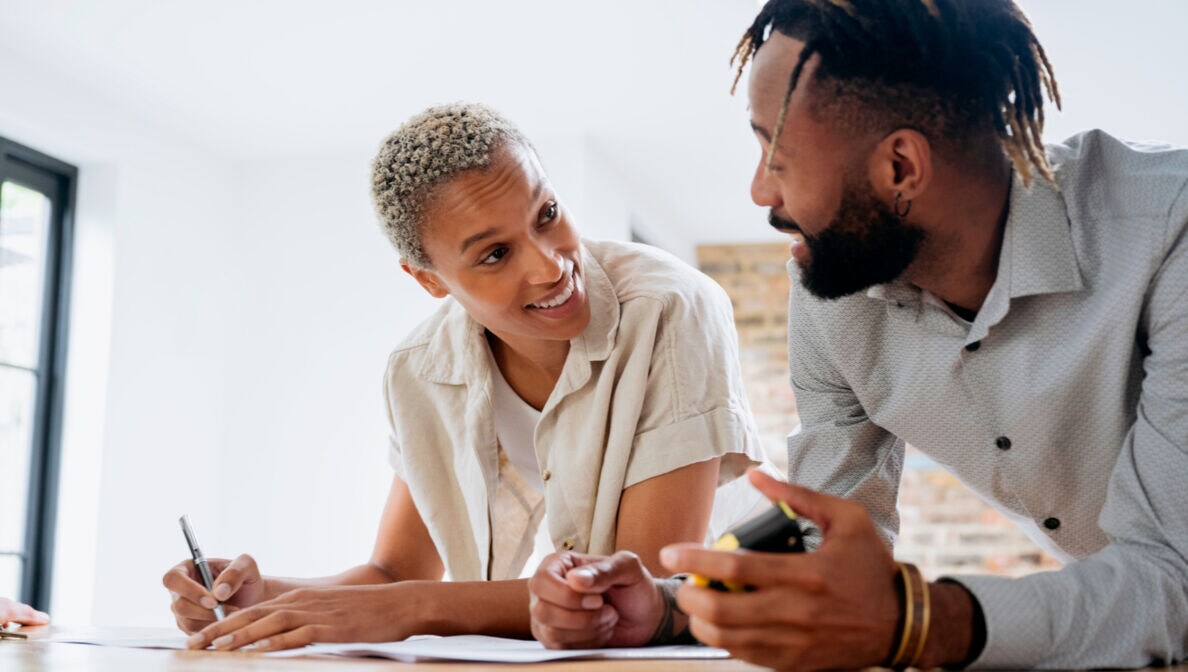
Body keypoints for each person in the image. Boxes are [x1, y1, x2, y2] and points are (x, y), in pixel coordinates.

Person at [528, 0, 1188, 669]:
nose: (760, 192)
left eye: (776, 157)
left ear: (900, 167)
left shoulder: (1170, 233)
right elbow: (827, 548)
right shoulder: (835, 299)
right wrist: (673, 606)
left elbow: (1172, 578)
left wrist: (918, 620)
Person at [164, 103, 764, 652]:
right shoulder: (421, 368)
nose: (551, 265)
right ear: (428, 280)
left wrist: (409, 610)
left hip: (738, 617)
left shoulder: (670, 307)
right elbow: (395, 573)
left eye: (546, 214)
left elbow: (633, 587)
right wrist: (265, 598)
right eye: (495, 254)